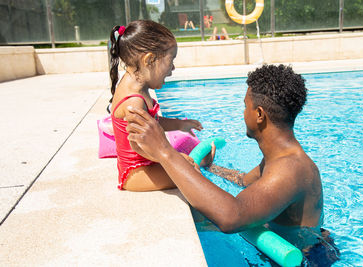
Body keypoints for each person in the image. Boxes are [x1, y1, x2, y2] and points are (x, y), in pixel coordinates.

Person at [125, 64, 340, 265]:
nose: (242, 112)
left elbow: (231, 217)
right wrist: (211, 167)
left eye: (245, 106)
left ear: (259, 115)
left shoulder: (289, 169)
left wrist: (164, 151)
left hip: (306, 259)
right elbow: (243, 180)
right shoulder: (280, 159)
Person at [109, 20, 212, 192]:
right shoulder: (134, 102)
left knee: (192, 166)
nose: (173, 68)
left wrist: (179, 124)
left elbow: (153, 123)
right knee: (192, 173)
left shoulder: (138, 85)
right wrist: (174, 158)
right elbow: (138, 145)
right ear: (149, 60)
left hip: (145, 165)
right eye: (170, 60)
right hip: (137, 174)